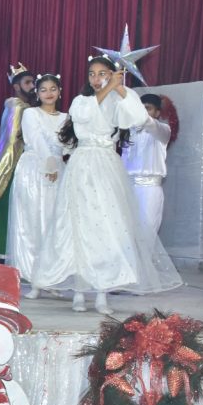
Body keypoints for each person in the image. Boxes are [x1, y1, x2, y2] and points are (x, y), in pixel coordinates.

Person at [34, 55, 182, 314]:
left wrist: (120, 88)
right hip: (82, 164)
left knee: (107, 227)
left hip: (107, 165)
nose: (96, 79)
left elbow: (138, 118)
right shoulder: (81, 101)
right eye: (92, 74)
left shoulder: (119, 98)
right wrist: (108, 87)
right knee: (78, 225)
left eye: (102, 73)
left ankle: (102, 293)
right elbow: (84, 116)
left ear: (113, 74)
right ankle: (79, 291)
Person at [7, 74, 66, 296]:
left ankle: (51, 278)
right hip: (33, 170)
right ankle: (34, 279)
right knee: (32, 223)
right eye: (43, 90)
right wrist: (49, 165)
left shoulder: (67, 118)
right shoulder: (31, 114)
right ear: (37, 93)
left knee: (53, 224)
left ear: (59, 91)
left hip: (58, 171)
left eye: (53, 89)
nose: (49, 93)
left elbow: (68, 145)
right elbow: (36, 140)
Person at [0, 63, 35, 262]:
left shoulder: (24, 107)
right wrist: (9, 166)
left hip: (19, 163)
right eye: (28, 83)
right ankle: (4, 253)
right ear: (17, 86)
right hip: (13, 164)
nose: (32, 86)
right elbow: (13, 140)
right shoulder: (17, 106)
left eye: (33, 82)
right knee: (8, 208)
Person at [120, 93, 173, 237]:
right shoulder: (128, 131)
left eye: (147, 108)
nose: (143, 112)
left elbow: (148, 123)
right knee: (125, 234)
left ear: (157, 112)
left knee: (146, 234)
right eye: (140, 108)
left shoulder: (163, 130)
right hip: (127, 188)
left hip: (149, 190)